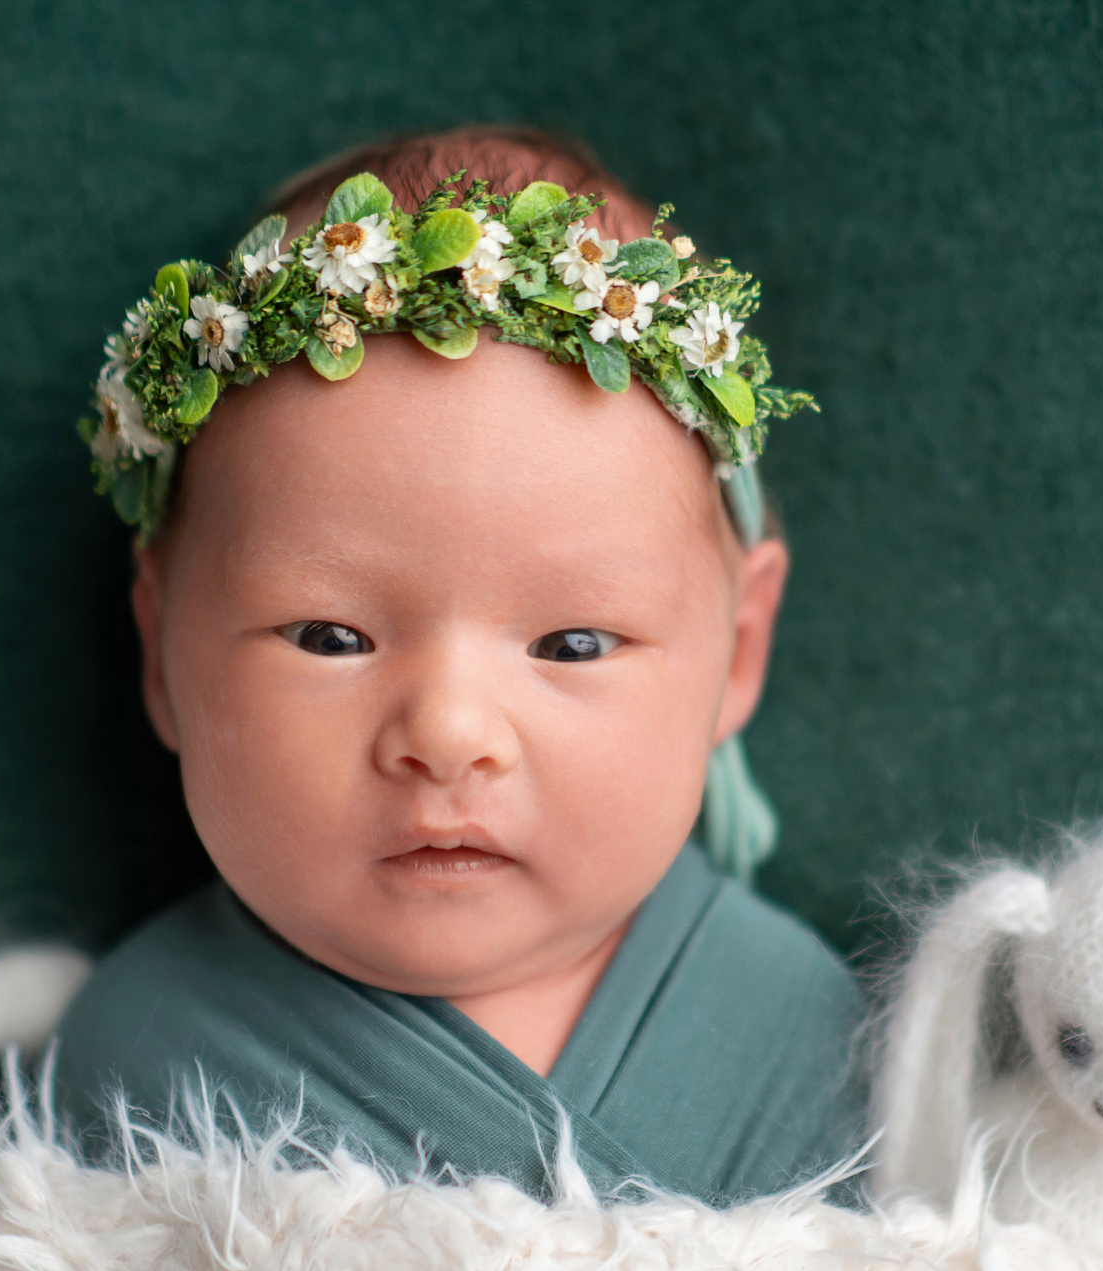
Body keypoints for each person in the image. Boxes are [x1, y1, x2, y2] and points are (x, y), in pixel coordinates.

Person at [51, 126, 860, 1205]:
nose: (446, 731)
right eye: (331, 638)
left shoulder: (798, 1028)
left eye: (571, 644)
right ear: (161, 651)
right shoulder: (135, 1049)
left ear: (737, 653)